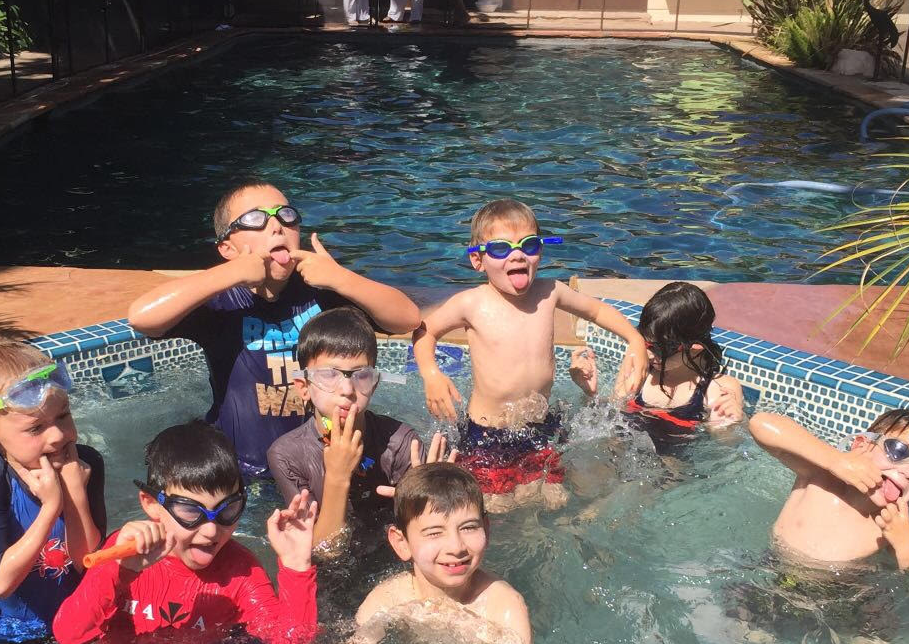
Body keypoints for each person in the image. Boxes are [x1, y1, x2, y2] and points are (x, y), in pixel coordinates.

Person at [126, 181, 421, 478]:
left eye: (286, 215)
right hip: (240, 468)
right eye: (256, 219)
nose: (277, 226)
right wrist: (232, 272)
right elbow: (142, 317)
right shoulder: (220, 304)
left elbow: (407, 318)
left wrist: (341, 278)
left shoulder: (321, 291)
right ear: (227, 247)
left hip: (317, 464)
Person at [52, 420, 319, 644]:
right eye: (190, 512)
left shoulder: (239, 572)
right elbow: (69, 636)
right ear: (151, 504)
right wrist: (121, 571)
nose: (212, 530)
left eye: (228, 509)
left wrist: (295, 565)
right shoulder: (127, 551)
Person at [293, 463, 540, 644]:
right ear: (401, 543)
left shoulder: (504, 606)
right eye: (434, 532)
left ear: (486, 529)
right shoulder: (386, 600)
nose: (456, 547)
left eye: (469, 527)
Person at [415, 198, 647, 508]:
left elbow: (596, 309)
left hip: (539, 427)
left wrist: (635, 340)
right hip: (488, 433)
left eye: (529, 245)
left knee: (552, 500)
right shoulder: (472, 303)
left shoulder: (550, 291)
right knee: (495, 505)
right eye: (500, 249)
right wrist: (432, 374)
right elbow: (423, 331)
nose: (517, 255)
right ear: (477, 260)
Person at [265, 306, 453, 554]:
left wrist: (426, 500)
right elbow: (322, 552)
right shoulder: (287, 454)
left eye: (360, 375)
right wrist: (337, 476)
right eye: (329, 375)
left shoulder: (401, 443)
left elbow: (427, 540)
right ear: (303, 387)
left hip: (389, 553)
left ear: (374, 384)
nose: (346, 389)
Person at [0, 341, 106, 644]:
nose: (58, 436)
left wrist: (74, 492)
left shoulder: (85, 463)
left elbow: (88, 563)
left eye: (63, 416)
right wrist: (52, 505)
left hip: (78, 617)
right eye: (36, 428)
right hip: (14, 630)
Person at [748, 407, 909, 579]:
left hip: (837, 599)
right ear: (861, 445)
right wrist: (835, 460)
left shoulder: (890, 526)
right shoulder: (819, 475)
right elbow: (760, 424)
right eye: (899, 451)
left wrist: (907, 547)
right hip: (772, 571)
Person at [570, 281, 746, 452]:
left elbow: (726, 446)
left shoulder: (719, 388)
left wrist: (725, 428)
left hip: (670, 472)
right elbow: (608, 417)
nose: (648, 354)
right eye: (644, 343)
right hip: (615, 453)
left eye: (660, 348)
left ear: (695, 348)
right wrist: (590, 394)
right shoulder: (638, 369)